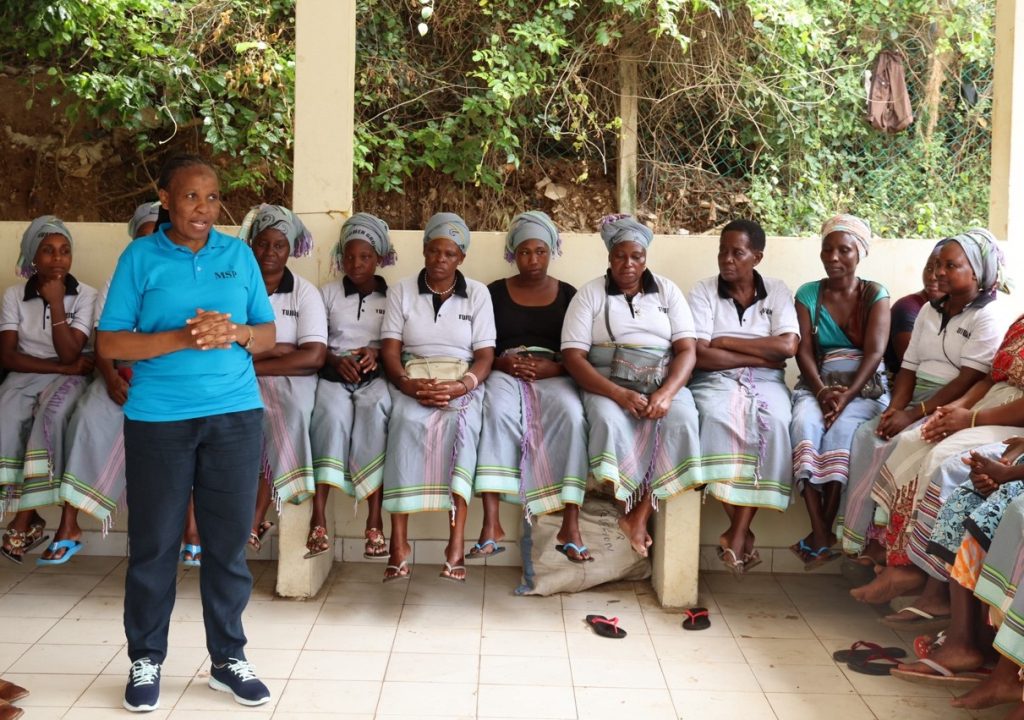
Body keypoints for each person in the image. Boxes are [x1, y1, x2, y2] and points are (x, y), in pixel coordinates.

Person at [96, 155, 276, 711]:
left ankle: (228, 659)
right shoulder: (140, 257)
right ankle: (145, 659)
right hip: (159, 421)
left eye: (213, 197)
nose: (203, 208)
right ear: (166, 199)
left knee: (226, 548)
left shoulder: (237, 254)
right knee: (154, 545)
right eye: (191, 197)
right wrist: (182, 337)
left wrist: (237, 331)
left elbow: (266, 334)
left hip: (235, 417)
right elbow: (111, 344)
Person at [844, 229, 1009, 604]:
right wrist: (894, 409)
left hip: (953, 398)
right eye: (937, 264)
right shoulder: (929, 311)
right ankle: (867, 540)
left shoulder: (991, 315)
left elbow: (970, 377)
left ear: (978, 271)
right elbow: (908, 368)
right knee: (869, 436)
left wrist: (916, 414)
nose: (941, 272)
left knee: (906, 443)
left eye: (952, 265)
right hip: (918, 398)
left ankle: (897, 557)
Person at [561, 214, 702, 557]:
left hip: (659, 380)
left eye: (636, 256)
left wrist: (666, 394)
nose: (628, 264)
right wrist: (619, 394)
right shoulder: (590, 295)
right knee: (608, 421)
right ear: (609, 258)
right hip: (607, 383)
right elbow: (573, 357)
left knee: (681, 420)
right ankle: (624, 500)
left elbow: (687, 350)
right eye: (620, 256)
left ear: (645, 258)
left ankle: (638, 516)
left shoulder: (667, 291)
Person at [379, 212, 495, 582]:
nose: (440, 260)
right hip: (414, 375)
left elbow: (485, 356)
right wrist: (407, 384)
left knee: (462, 432)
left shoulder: (477, 293)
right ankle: (399, 544)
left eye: (449, 254)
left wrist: (463, 386)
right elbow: (391, 350)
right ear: (424, 251)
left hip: (460, 377)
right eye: (434, 251)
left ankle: (455, 544)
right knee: (403, 425)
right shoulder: (401, 291)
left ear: (461, 258)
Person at [42, 202, 161, 564]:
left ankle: (189, 529)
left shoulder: (184, 278)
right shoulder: (118, 280)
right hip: (117, 369)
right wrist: (109, 380)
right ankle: (69, 525)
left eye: (159, 236)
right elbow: (104, 340)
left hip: (167, 373)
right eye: (144, 238)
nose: (151, 244)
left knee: (182, 432)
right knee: (87, 418)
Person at [471, 211, 589, 561]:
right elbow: (481, 344)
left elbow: (580, 348)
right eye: (524, 252)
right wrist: (502, 363)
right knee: (494, 413)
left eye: (540, 251)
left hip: (554, 371)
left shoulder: (570, 295)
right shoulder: (492, 292)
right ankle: (491, 524)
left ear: (551, 251)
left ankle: (570, 523)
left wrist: (555, 367)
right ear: (513, 253)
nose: (533, 259)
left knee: (571, 415)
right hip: (504, 369)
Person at [687, 219, 799, 573]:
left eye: (737, 253)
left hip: (766, 381)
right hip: (714, 378)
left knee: (774, 421)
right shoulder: (703, 291)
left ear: (757, 257)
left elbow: (788, 345)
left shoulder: (777, 291)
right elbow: (700, 354)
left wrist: (726, 341)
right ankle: (739, 536)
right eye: (723, 251)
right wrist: (758, 354)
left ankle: (735, 533)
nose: (727, 260)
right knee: (719, 419)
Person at [788, 214, 890, 568]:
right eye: (827, 249)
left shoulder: (875, 294)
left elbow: (875, 353)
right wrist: (821, 393)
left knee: (843, 434)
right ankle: (820, 530)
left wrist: (845, 397)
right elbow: (802, 351)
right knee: (804, 427)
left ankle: (821, 533)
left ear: (858, 253)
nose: (833, 257)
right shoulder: (808, 294)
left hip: (864, 389)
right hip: (818, 383)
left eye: (843, 250)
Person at [0, 216, 97, 564]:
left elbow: (73, 352)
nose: (58, 259)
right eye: (48, 251)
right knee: (5, 418)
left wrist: (56, 303)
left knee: (49, 418)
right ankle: (27, 516)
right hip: (30, 372)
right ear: (32, 256)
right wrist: (59, 366)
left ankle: (25, 517)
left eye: (65, 251)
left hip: (70, 376)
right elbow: (9, 356)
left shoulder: (85, 295)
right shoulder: (14, 295)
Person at [240, 205, 327, 553]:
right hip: (246, 377)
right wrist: (276, 350)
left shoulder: (304, 293)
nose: (270, 253)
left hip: (293, 381)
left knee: (286, 415)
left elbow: (314, 357)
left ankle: (254, 518)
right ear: (252, 244)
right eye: (263, 244)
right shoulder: (238, 286)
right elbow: (224, 345)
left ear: (290, 249)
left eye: (279, 245)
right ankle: (247, 521)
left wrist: (255, 359)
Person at [308, 213, 396, 559]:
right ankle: (318, 519)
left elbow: (397, 341)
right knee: (329, 417)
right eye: (349, 256)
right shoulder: (326, 294)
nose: (356, 264)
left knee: (376, 416)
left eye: (365, 257)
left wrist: (376, 352)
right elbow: (315, 340)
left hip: (375, 374)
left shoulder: (393, 296)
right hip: (333, 372)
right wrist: (334, 360)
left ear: (378, 259)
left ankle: (374, 522)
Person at [884, 243, 945, 374]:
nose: (932, 276)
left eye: (940, 269)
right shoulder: (907, 308)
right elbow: (911, 368)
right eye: (929, 268)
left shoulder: (964, 312)